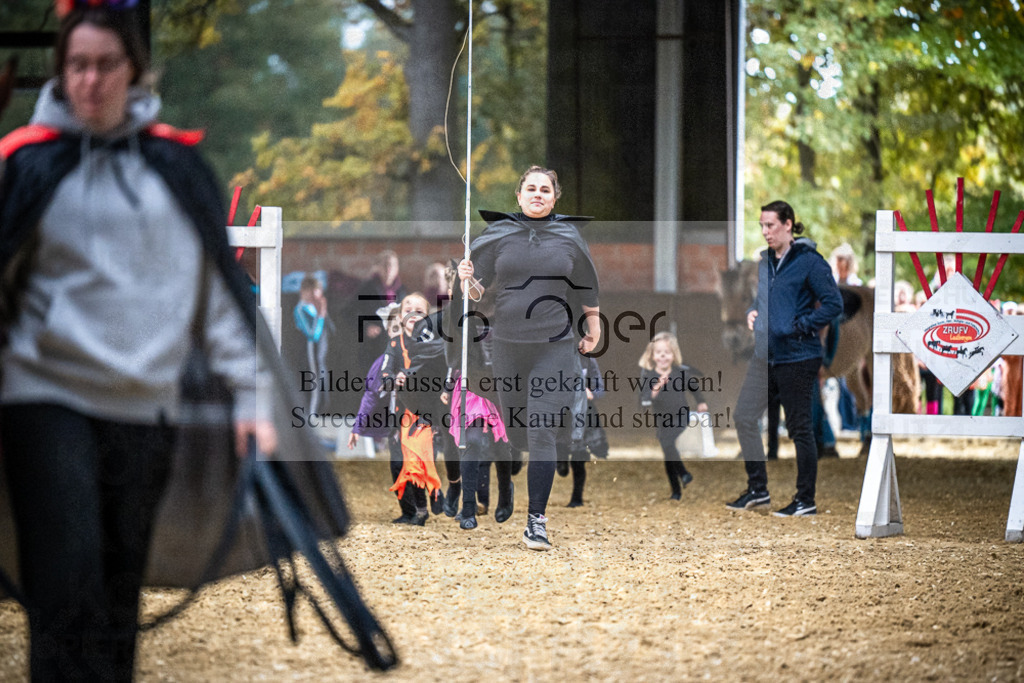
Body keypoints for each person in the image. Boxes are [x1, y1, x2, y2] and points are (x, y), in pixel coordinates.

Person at [0, 2, 283, 679]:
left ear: (134, 70)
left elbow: (215, 293)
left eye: (106, 65)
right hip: (43, 394)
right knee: (64, 575)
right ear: (61, 71)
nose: (91, 80)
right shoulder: (25, 163)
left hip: (144, 402)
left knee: (118, 585)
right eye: (77, 65)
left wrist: (251, 395)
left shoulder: (173, 167)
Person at [458, 165, 600, 550]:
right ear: (519, 196)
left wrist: (594, 328)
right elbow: (477, 291)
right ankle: (525, 449)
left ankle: (536, 521)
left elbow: (587, 286)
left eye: (545, 190)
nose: (538, 194)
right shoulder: (500, 234)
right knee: (518, 432)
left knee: (541, 430)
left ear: (555, 198)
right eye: (531, 188)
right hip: (507, 345)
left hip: (555, 345)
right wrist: (467, 279)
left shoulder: (568, 237)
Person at [726, 201, 842, 517]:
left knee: (799, 429)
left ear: (788, 224)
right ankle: (758, 491)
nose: (765, 232)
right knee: (744, 417)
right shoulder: (764, 263)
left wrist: (802, 325)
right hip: (764, 356)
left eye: (771, 225)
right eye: (762, 226)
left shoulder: (810, 262)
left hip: (798, 357)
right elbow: (763, 301)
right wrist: (752, 312)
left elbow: (834, 304)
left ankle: (805, 500)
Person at [638, 332, 708, 500]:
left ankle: (683, 473)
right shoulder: (649, 376)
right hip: (662, 420)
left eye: (667, 352)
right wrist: (656, 388)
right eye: (659, 352)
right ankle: (676, 491)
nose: (663, 356)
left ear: (673, 355)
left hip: (680, 416)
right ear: (652, 355)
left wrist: (701, 402)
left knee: (668, 444)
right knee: (669, 454)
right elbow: (644, 399)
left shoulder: (679, 373)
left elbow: (694, 387)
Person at [293, 274, 332, 415]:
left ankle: (319, 416)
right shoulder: (301, 309)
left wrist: (323, 313)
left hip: (320, 357)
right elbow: (312, 335)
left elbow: (331, 329)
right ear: (303, 292)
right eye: (311, 293)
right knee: (313, 390)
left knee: (323, 392)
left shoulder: (314, 308)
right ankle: (310, 419)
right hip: (309, 356)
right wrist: (320, 315)